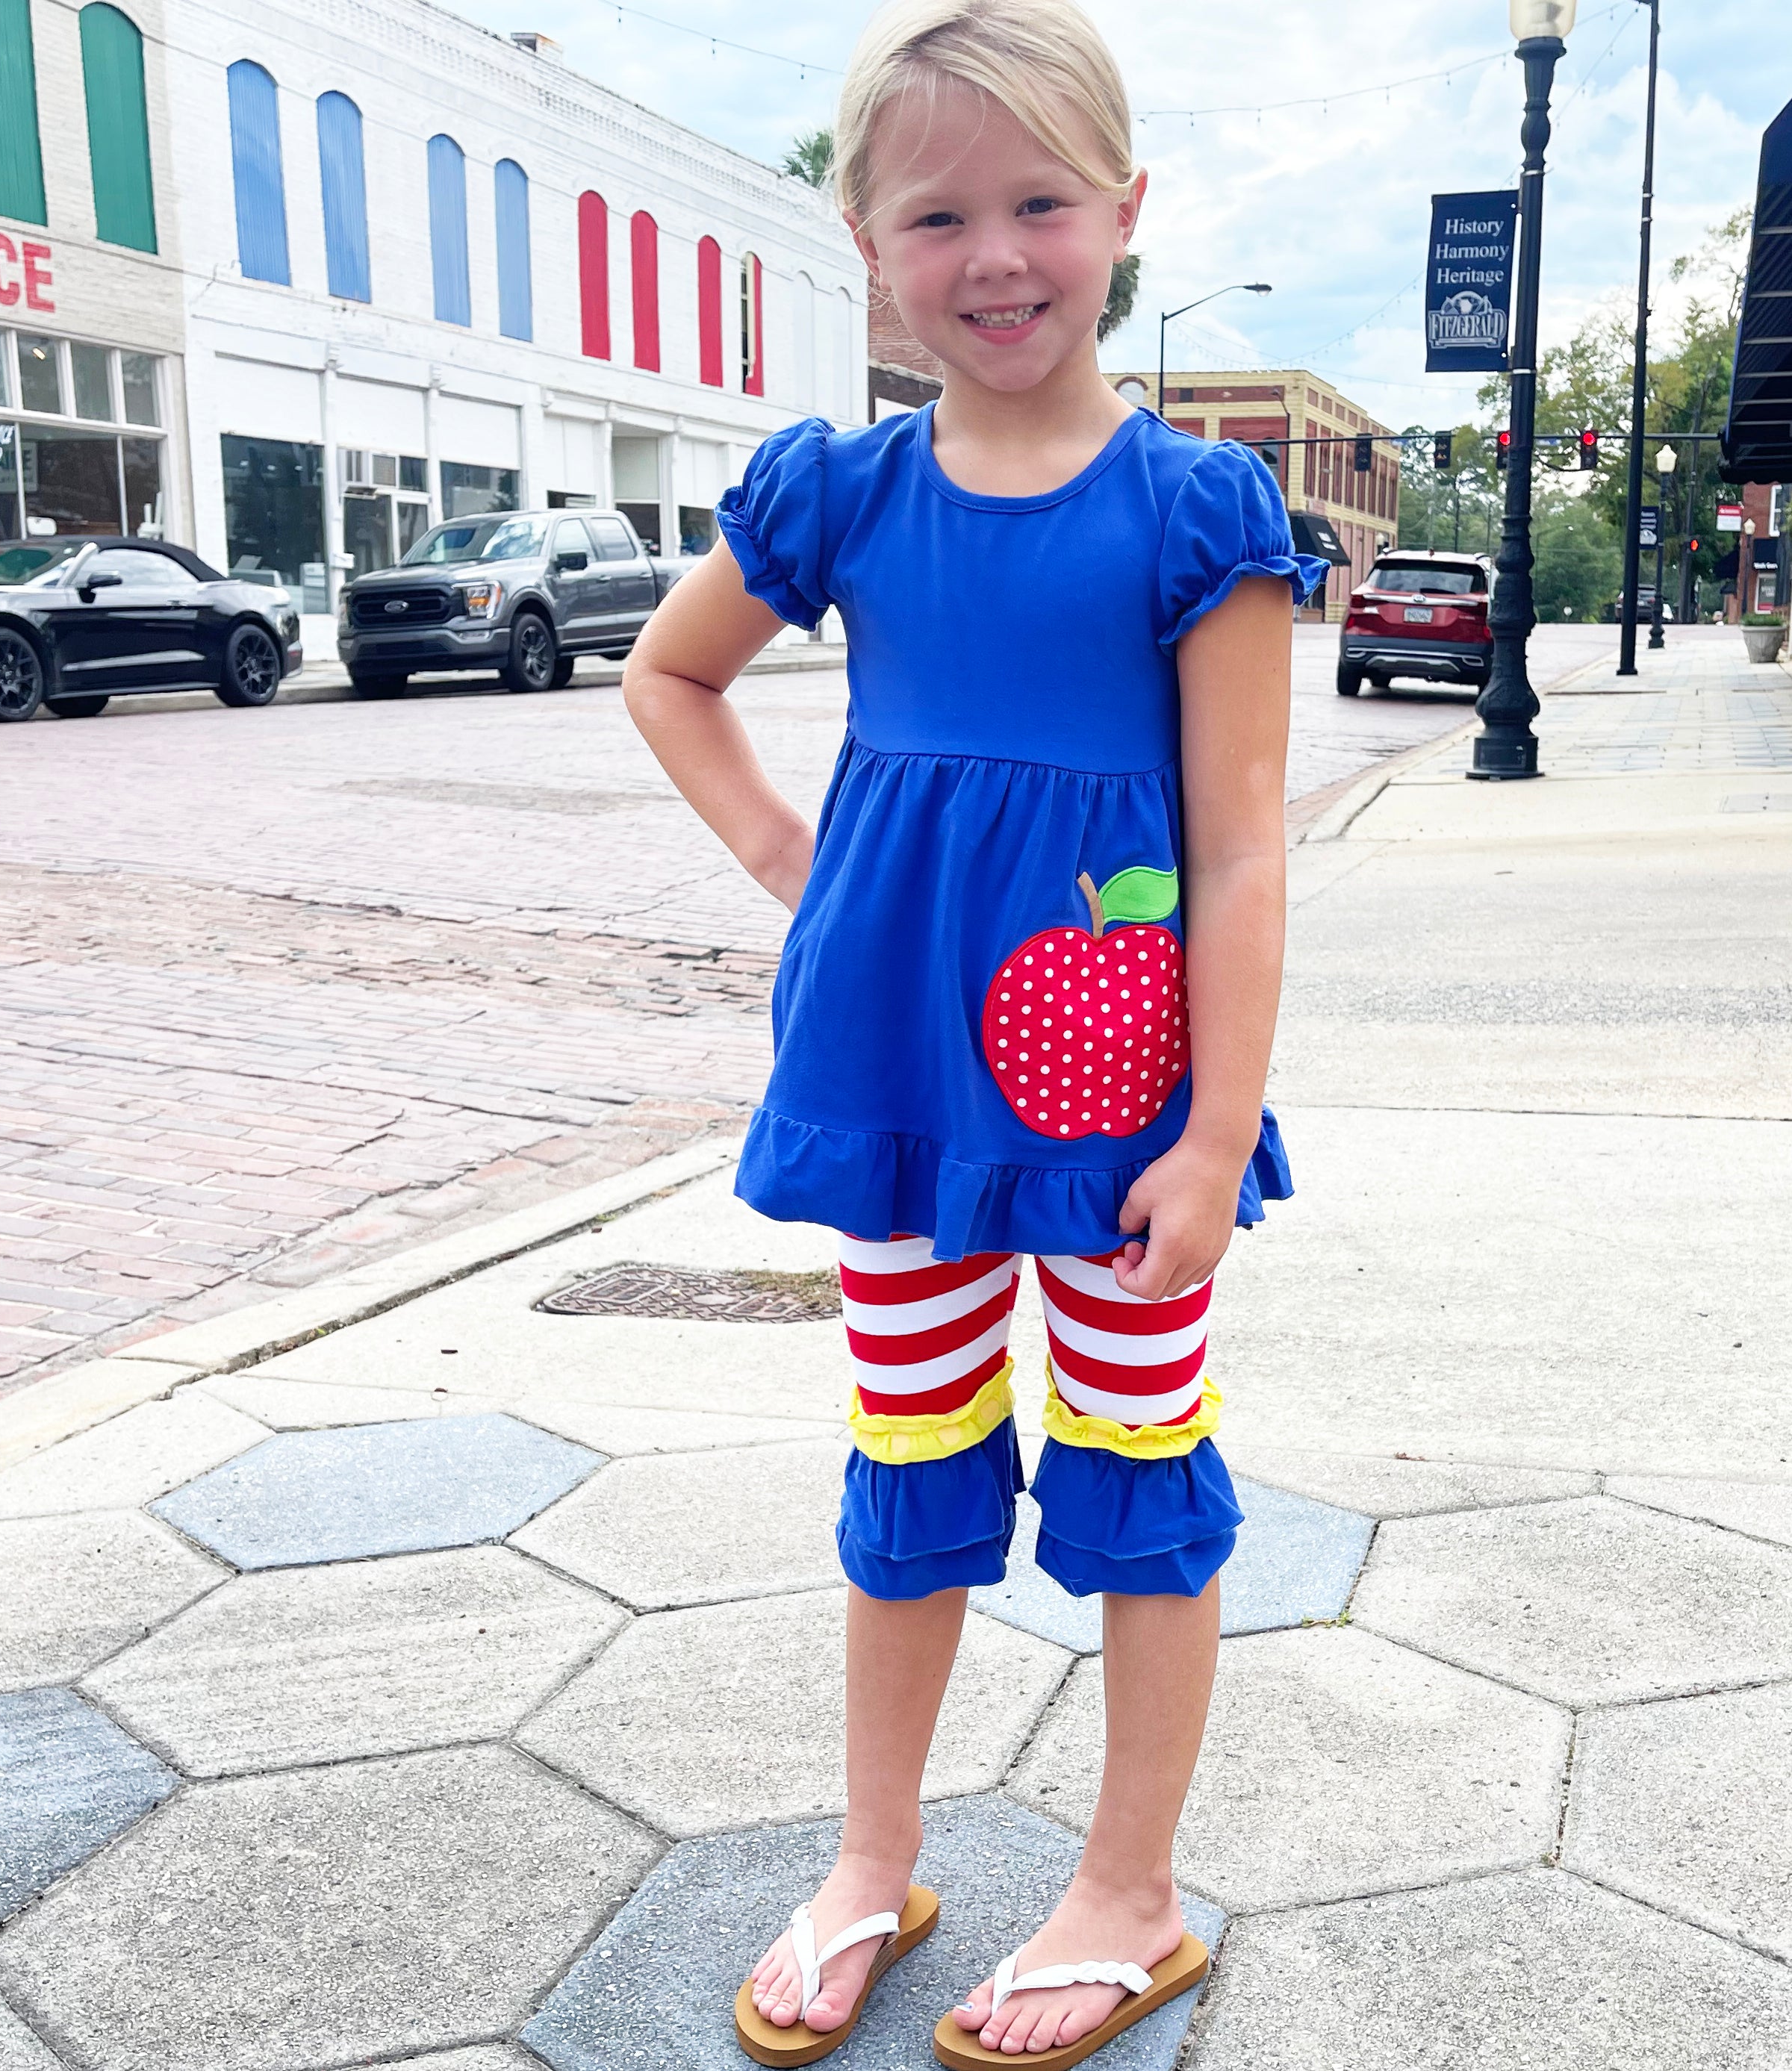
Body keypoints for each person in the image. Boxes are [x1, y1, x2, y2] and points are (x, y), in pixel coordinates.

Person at [623, 1, 1320, 2061]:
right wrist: (795, 869)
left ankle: (1132, 1889)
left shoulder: (1196, 514)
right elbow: (673, 678)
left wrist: (1212, 1137)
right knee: (910, 1446)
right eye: (940, 214)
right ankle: (874, 1858)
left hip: (1123, 1113)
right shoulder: (840, 494)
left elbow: (1247, 850)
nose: (996, 255)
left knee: (1134, 1465)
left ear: (1123, 211)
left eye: (1039, 202)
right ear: (864, 240)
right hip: (904, 1097)